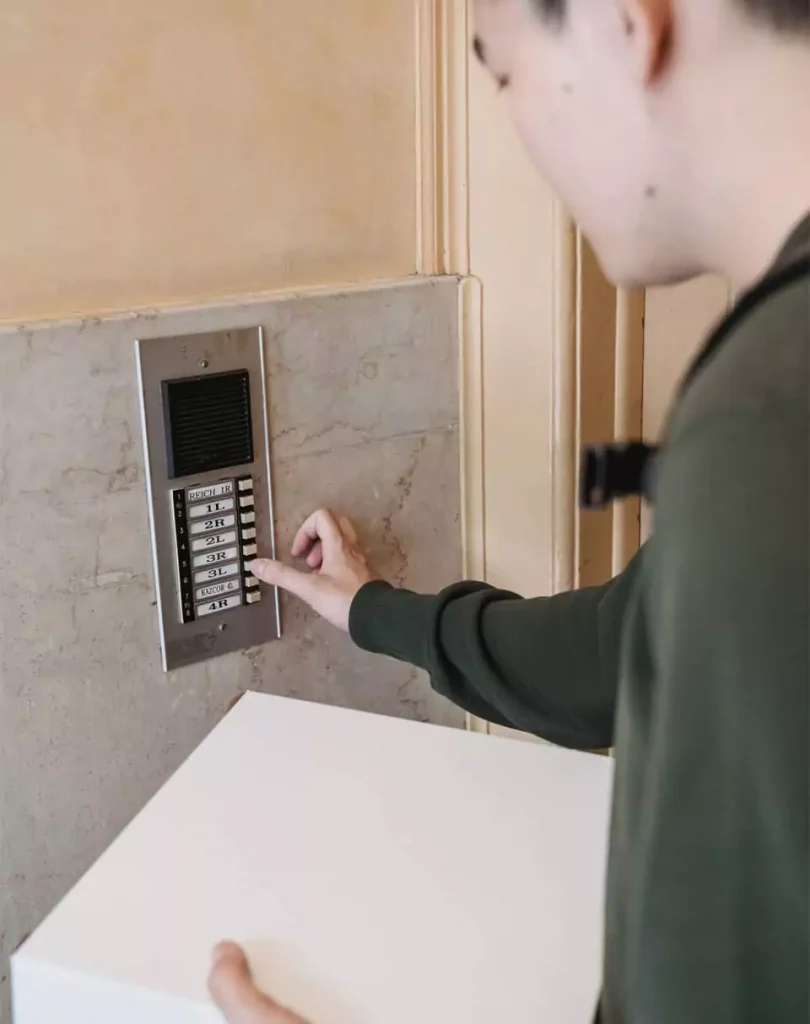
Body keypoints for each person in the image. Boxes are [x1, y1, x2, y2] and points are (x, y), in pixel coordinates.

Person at [209, 0, 810, 1021]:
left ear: (627, 24)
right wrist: (374, 610)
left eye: (502, 72)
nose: (520, 126)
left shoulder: (767, 416)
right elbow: (622, 647)